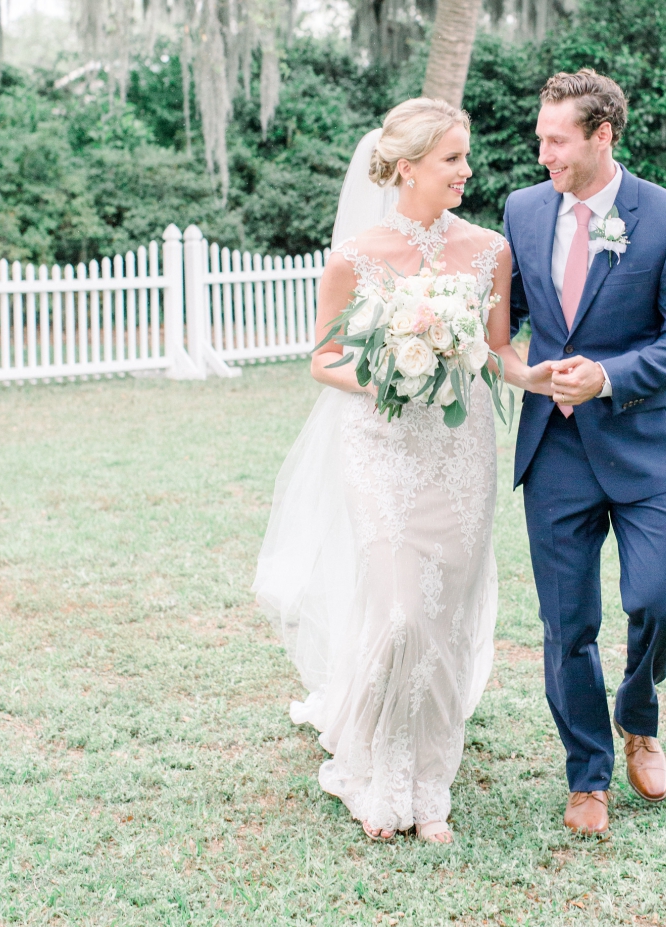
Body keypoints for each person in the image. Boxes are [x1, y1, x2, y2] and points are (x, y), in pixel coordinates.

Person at [253, 98, 512, 845]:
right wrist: (390, 377)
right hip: (382, 448)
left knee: (442, 616)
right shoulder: (354, 255)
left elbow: (496, 353)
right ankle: (375, 772)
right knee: (400, 610)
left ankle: (428, 786)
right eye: (452, 158)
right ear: (407, 167)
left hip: (459, 456)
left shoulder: (489, 250)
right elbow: (323, 357)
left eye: (466, 156)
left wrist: (546, 376)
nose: (467, 170)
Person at [499, 69, 666, 837]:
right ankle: (587, 773)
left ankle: (639, 714)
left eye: (556, 139)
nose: (542, 152)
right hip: (553, 447)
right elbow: (507, 313)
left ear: (602, 135)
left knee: (659, 599)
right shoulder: (523, 210)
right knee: (568, 622)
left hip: (643, 446)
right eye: (539, 137)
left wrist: (610, 376)